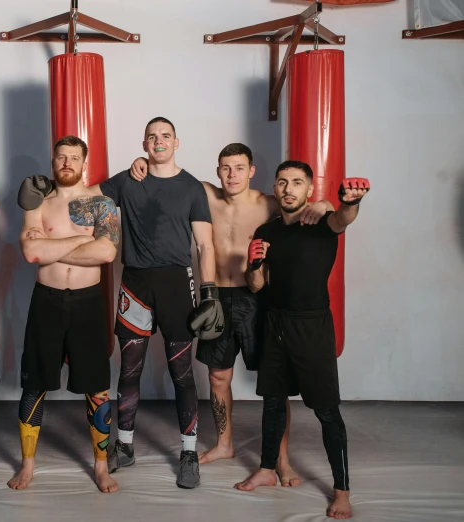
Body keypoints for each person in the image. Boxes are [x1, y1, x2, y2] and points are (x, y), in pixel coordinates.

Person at [19, 118, 222, 489]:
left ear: (177, 141)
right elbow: (78, 190)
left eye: (165, 136)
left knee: (181, 373)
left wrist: (208, 290)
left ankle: (189, 452)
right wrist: (47, 186)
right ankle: (124, 446)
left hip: (178, 281)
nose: (158, 142)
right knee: (129, 370)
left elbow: (206, 245)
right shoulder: (124, 180)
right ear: (144, 143)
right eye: (152, 137)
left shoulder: (193, 187)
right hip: (135, 282)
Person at [129, 144, 333, 486]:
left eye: (239, 168)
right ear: (217, 170)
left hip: (258, 298)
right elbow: (169, 173)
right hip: (217, 297)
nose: (232, 175)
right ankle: (225, 444)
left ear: (251, 171)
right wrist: (143, 161)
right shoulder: (205, 194)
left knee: (275, 385)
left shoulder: (268, 203)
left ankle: (280, 459)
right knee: (218, 378)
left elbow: (308, 208)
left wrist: (325, 204)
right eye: (225, 168)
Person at [234, 160, 370, 520]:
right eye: (282, 182)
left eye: (297, 182)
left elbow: (344, 219)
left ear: (310, 190)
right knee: (273, 400)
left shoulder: (322, 224)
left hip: (311, 326)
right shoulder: (266, 230)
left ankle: (341, 491)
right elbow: (257, 286)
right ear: (275, 189)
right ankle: (266, 469)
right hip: (274, 323)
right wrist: (252, 265)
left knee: (326, 410)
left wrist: (349, 201)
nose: (288, 188)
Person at [8, 135, 120, 493]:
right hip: (47, 301)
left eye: (74, 157)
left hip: (88, 302)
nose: (68, 163)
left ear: (84, 164)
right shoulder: (36, 203)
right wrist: (82, 242)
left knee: (97, 387)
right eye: (61, 157)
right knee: (34, 383)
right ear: (53, 161)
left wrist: (50, 248)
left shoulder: (103, 204)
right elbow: (30, 253)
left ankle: (101, 467)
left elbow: (106, 254)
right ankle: (27, 465)